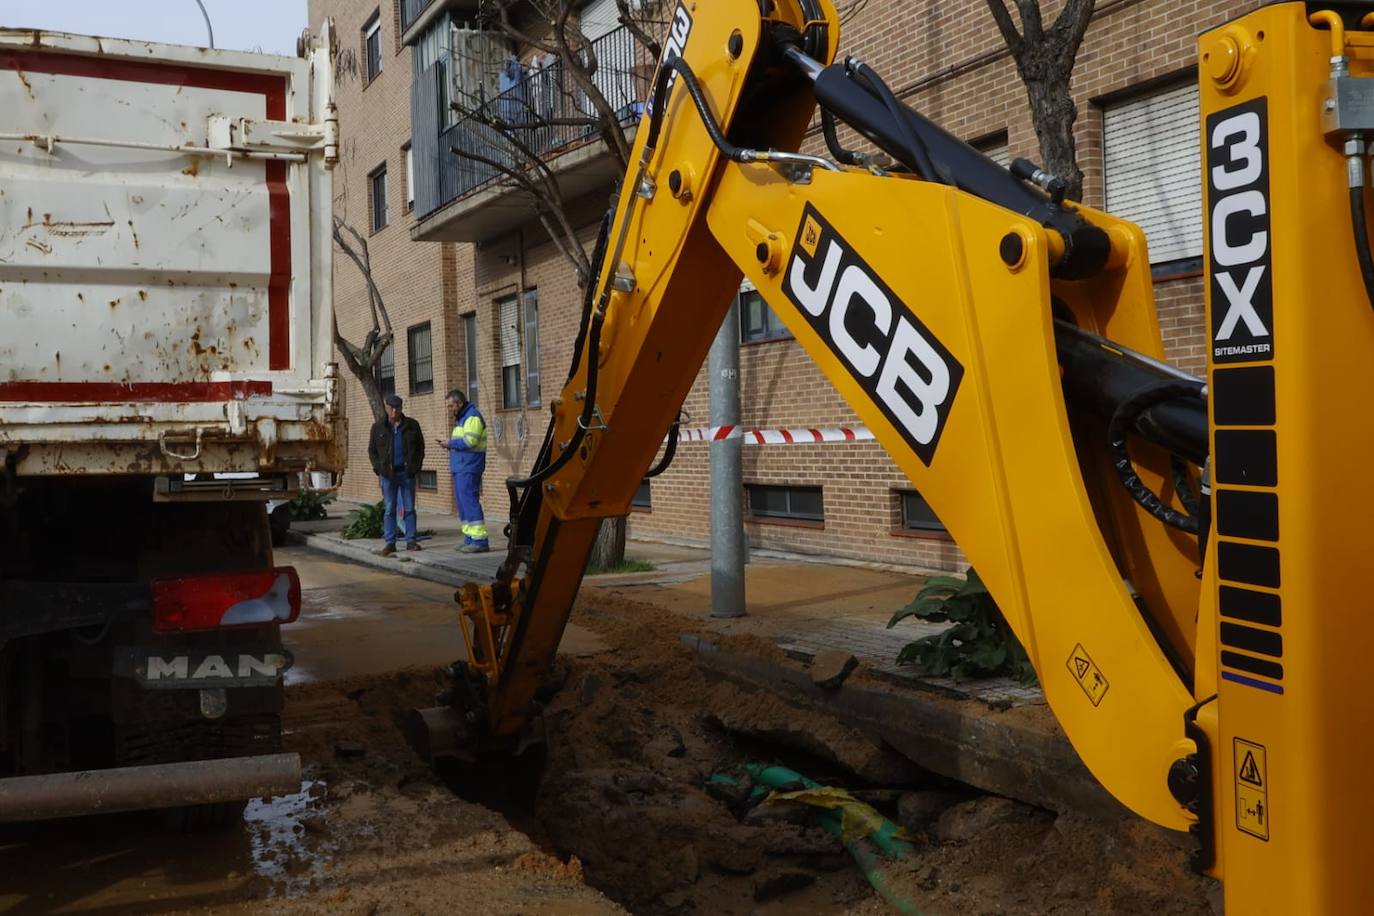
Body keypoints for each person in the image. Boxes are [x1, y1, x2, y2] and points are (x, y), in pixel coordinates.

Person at [367, 393, 424, 555]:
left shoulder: (412, 425)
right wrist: (379, 468)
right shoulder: (378, 427)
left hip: (406, 473)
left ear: (401, 408)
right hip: (388, 475)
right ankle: (390, 542)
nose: (394, 411)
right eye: (391, 408)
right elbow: (372, 451)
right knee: (389, 509)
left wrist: (416, 467)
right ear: (386, 408)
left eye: (397, 408)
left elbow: (420, 448)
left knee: (409, 508)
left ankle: (411, 540)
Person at [436, 389, 488, 553]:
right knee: (463, 504)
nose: (450, 409)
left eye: (451, 406)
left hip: (469, 467)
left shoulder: (472, 416)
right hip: (462, 467)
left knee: (469, 502)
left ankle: (480, 541)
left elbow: (470, 441)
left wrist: (450, 443)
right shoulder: (462, 418)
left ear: (459, 403)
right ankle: (469, 538)